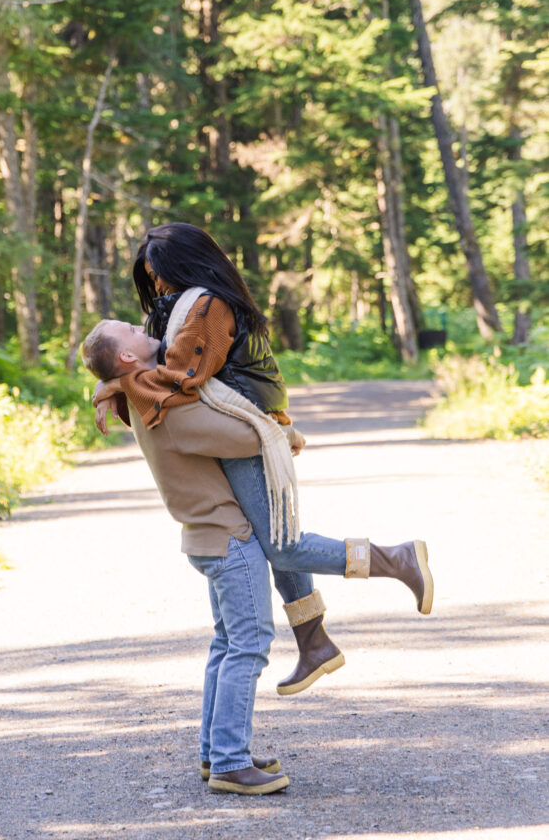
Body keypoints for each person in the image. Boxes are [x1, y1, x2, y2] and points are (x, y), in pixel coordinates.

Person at [93, 223, 434, 695]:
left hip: (242, 429)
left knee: (283, 546)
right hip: (230, 423)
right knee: (278, 539)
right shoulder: (178, 307)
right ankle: (313, 642)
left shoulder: (207, 306)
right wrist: (114, 379)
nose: (155, 285)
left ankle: (396, 560)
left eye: (159, 274)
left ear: (184, 265)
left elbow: (178, 379)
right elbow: (150, 382)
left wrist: (116, 383)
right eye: (149, 277)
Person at [82, 319, 290, 796]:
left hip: (206, 537)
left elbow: (116, 372)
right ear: (130, 360)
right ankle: (231, 764)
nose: (142, 324)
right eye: (130, 329)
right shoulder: (166, 407)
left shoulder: (139, 393)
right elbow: (244, 440)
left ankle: (215, 751)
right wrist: (281, 431)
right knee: (248, 645)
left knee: (226, 644)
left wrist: (106, 383)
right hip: (229, 538)